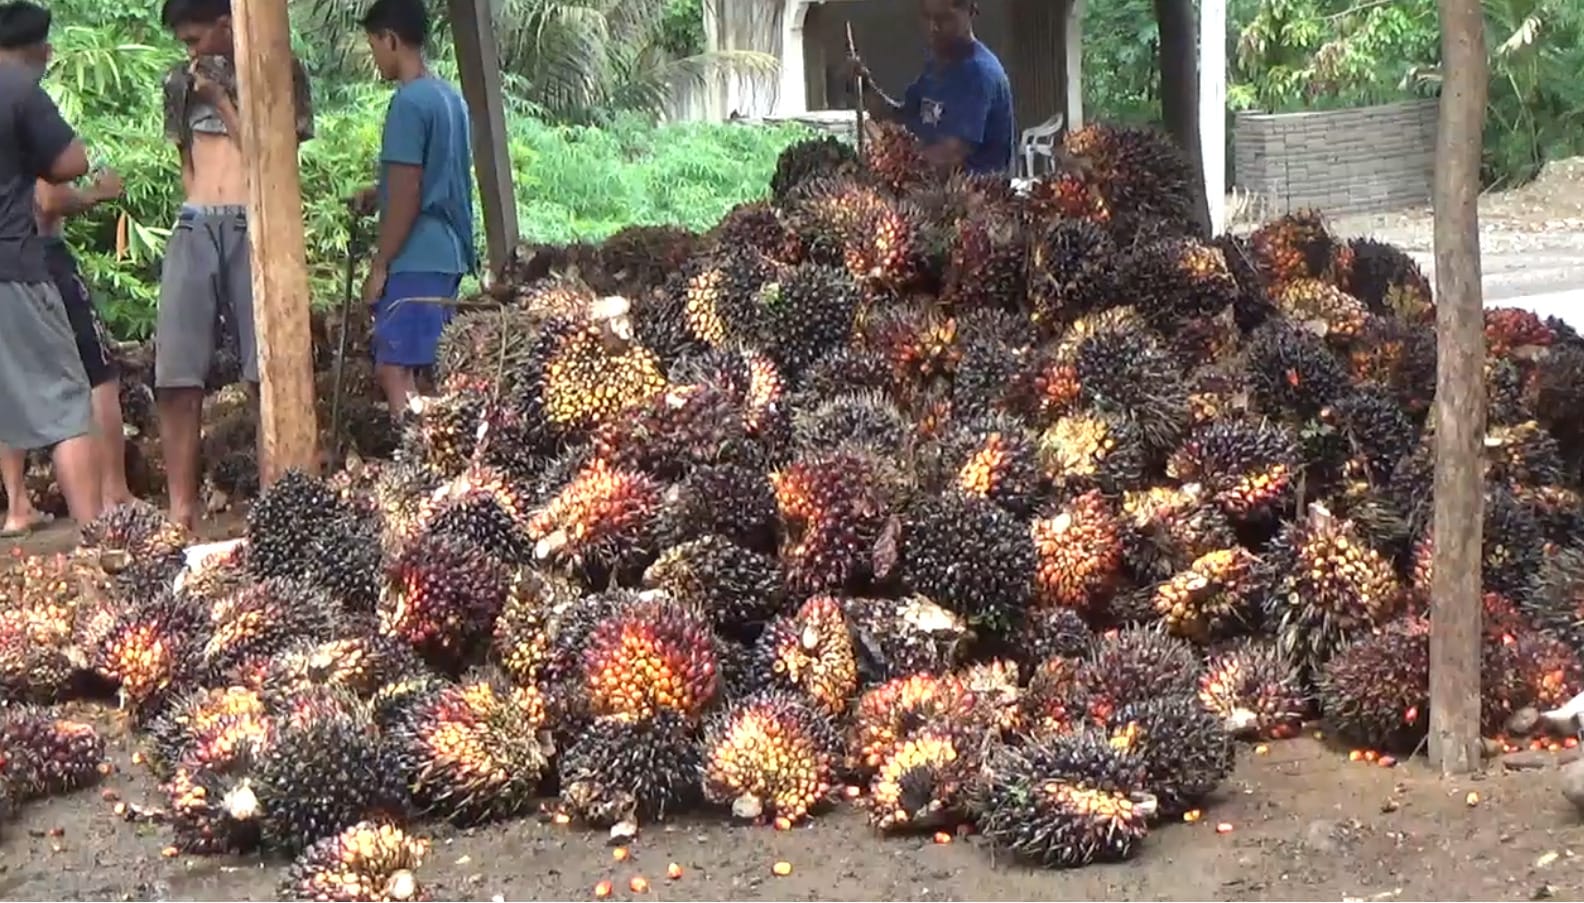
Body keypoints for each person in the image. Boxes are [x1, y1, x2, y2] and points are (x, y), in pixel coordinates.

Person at [157, 0, 313, 529]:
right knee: (177, 374)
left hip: (257, 221)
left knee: (264, 370)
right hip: (197, 221)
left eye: (197, 38)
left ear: (228, 26)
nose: (191, 51)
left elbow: (275, 159)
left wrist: (223, 101)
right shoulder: (179, 80)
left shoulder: (280, 68)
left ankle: (279, 498)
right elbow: (186, 158)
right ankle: (181, 507)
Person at [0, 0, 102, 530]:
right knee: (66, 402)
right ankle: (96, 544)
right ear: (41, 48)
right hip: (12, 267)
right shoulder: (20, 90)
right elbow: (71, 162)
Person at [354, 0, 476, 414]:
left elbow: (408, 191)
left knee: (394, 371)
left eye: (374, 46)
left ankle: (417, 463)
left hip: (416, 256)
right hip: (449, 251)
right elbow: (438, 172)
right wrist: (379, 190)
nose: (375, 59)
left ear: (390, 39)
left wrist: (380, 265)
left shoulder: (407, 104)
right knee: (427, 371)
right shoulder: (449, 98)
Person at [0, 167, 132, 536]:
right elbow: (47, 200)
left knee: (13, 381)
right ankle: (112, 494)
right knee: (96, 371)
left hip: (7, 267)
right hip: (41, 256)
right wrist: (97, 193)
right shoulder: (26, 116)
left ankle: (16, 505)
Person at [849, 0, 1015, 177]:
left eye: (944, 19)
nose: (933, 28)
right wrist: (865, 87)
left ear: (970, 11)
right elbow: (901, 120)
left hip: (973, 199)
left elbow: (949, 155)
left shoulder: (978, 73)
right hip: (929, 192)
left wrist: (889, 163)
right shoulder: (937, 65)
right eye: (927, 17)